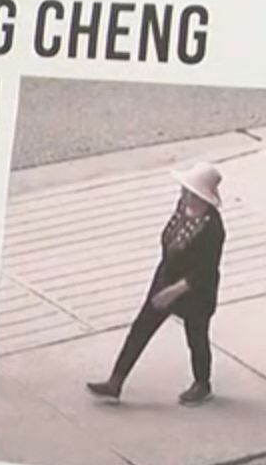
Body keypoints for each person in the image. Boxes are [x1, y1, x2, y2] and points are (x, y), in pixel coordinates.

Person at [86, 160, 227, 406]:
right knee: (141, 328)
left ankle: (202, 384)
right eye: (186, 191)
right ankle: (115, 382)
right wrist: (163, 284)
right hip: (166, 279)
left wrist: (174, 292)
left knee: (197, 337)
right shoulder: (182, 208)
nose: (186, 196)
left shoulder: (213, 228)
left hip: (194, 292)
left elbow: (204, 272)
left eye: (192, 193)